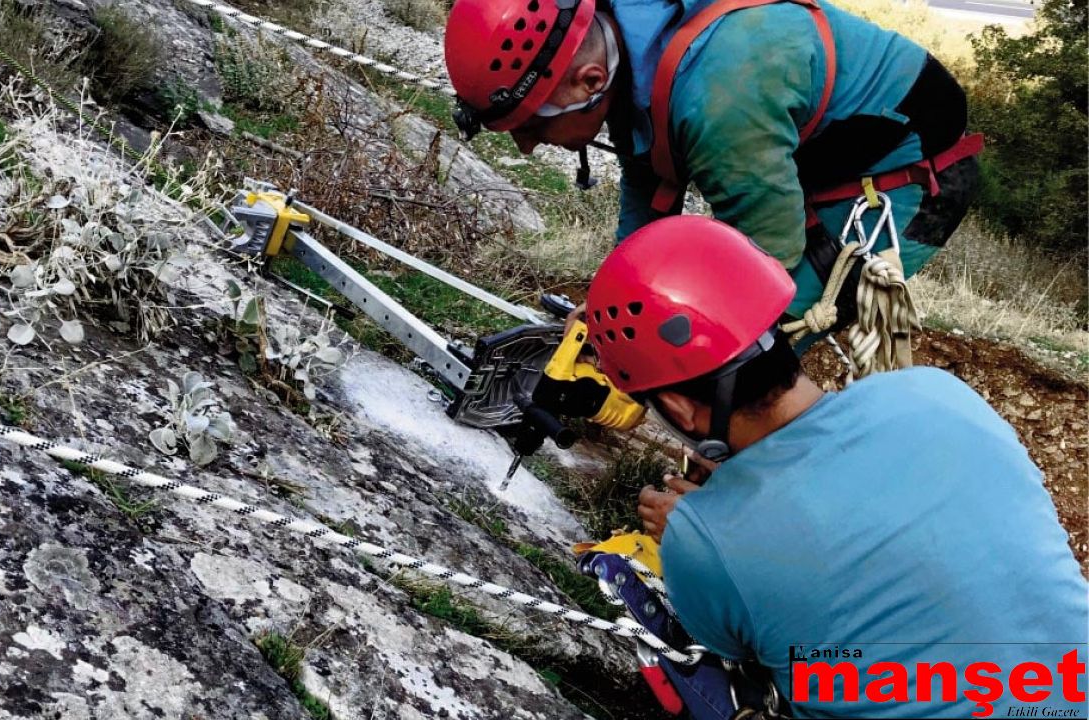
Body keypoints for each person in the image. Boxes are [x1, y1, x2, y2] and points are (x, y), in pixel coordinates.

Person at [581, 215, 1087, 718]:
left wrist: (700, 531)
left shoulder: (700, 541)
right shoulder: (937, 390)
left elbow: (747, 647)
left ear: (678, 407)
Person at [444, 0, 982, 334]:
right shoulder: (631, 53)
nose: (527, 148)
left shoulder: (718, 105)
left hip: (912, 173)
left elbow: (768, 260)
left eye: (531, 125)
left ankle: (725, 485)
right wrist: (611, 307)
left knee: (769, 331)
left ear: (587, 81)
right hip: (816, 148)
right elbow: (648, 196)